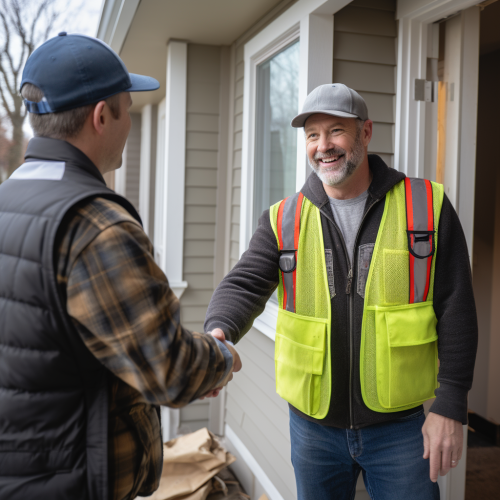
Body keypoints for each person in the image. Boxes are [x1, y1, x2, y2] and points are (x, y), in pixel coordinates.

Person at [205, 83, 478, 499]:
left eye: (336, 131)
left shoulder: (426, 205)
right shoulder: (284, 218)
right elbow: (244, 283)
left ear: (365, 133)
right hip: (313, 428)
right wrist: (218, 334)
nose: (323, 146)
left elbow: (456, 306)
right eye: (312, 135)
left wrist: (450, 403)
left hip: (401, 428)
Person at [0, 33, 240, 500]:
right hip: (70, 480)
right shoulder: (95, 225)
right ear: (101, 116)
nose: (129, 121)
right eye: (127, 108)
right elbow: (170, 371)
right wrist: (220, 359)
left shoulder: (8, 199)